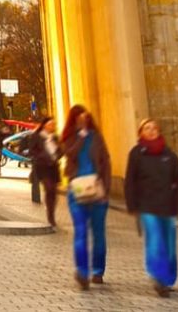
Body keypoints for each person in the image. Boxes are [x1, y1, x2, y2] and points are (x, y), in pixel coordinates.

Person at [126, 118, 178, 297]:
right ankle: (158, 277)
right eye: (147, 128)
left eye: (154, 128)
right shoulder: (137, 154)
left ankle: (168, 279)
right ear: (141, 132)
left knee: (169, 244)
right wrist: (132, 204)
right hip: (147, 205)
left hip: (168, 205)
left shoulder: (169, 155)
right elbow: (130, 181)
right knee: (155, 240)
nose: (151, 130)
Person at [62, 104, 112, 291]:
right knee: (81, 231)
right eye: (79, 118)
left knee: (98, 233)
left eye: (86, 118)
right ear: (74, 120)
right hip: (77, 190)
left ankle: (98, 271)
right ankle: (82, 271)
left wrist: (106, 190)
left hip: (98, 191)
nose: (83, 121)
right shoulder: (69, 138)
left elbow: (106, 162)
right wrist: (81, 137)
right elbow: (69, 154)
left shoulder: (97, 138)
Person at [30, 116, 63, 228]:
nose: (53, 127)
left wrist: (57, 155)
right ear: (45, 125)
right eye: (51, 124)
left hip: (53, 167)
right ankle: (50, 215)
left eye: (54, 125)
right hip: (43, 167)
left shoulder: (55, 137)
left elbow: (61, 151)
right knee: (49, 188)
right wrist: (42, 157)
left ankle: (51, 211)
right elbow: (32, 151)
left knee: (54, 191)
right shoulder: (37, 136)